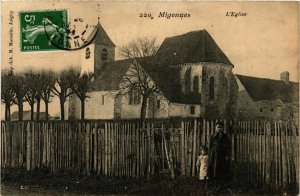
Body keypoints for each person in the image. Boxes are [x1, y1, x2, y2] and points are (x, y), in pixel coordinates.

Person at [207, 121, 231, 190]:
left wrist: (227, 155)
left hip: (222, 155)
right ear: (215, 128)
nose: (219, 129)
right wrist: (211, 153)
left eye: (221, 127)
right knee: (214, 167)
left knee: (221, 168)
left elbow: (228, 146)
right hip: (214, 155)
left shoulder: (225, 136)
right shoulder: (213, 136)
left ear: (223, 128)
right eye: (218, 127)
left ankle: (221, 184)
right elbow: (210, 146)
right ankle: (214, 182)